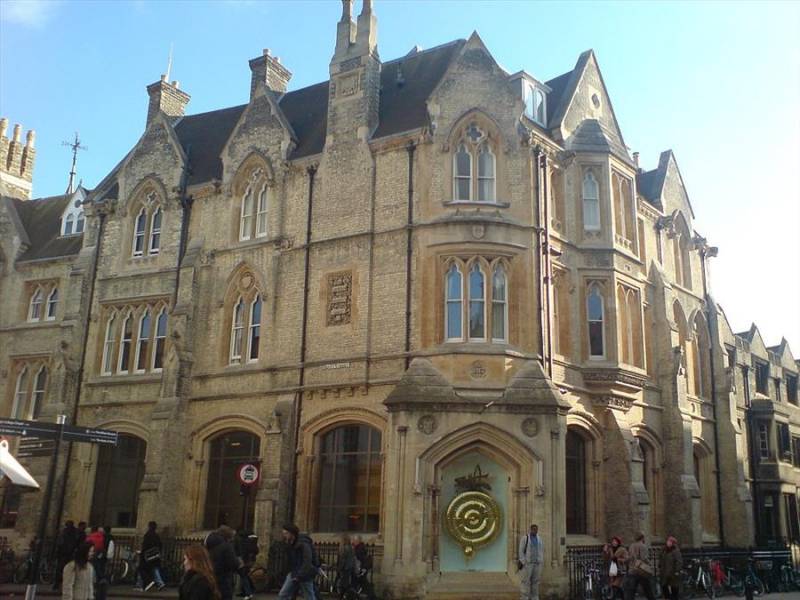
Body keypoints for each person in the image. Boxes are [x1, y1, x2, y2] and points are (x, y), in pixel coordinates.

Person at [277, 523, 317, 600]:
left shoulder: (303, 543)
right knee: (283, 594)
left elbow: (307, 561)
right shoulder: (289, 543)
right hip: (294, 572)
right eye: (284, 533)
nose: (284, 535)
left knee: (309, 596)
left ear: (292, 533)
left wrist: (300, 575)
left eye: (286, 533)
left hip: (305, 574)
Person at [205, 525, 240, 600]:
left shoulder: (209, 544)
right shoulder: (226, 546)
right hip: (224, 580)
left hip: (210, 578)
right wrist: (238, 562)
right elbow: (234, 564)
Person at [624, 532, 655, 600]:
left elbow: (629, 557)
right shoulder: (643, 546)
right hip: (641, 570)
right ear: (642, 538)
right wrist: (650, 565)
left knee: (631, 592)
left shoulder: (631, 546)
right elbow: (644, 558)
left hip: (632, 570)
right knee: (648, 590)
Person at [518, 523, 544, 600]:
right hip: (528, 564)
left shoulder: (539, 539)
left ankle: (535, 597)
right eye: (534, 529)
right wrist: (523, 561)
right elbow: (521, 550)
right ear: (531, 530)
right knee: (525, 581)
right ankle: (524, 597)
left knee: (535, 581)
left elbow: (541, 550)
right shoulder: (525, 538)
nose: (535, 531)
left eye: (536, 530)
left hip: (537, 563)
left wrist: (541, 560)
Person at [137, 521, 165, 591]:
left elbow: (145, 546)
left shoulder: (147, 535)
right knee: (155, 569)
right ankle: (159, 582)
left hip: (148, 556)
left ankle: (141, 584)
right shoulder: (156, 536)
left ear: (149, 526)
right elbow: (160, 545)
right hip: (155, 556)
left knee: (142, 569)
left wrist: (142, 553)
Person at [53, 520, 80, 591]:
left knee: (60, 569)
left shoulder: (63, 533)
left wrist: (57, 552)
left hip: (64, 554)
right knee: (69, 570)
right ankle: (64, 584)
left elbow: (59, 544)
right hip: (69, 554)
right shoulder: (74, 533)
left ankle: (57, 584)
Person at [233, 529, 257, 600]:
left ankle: (248, 592)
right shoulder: (251, 541)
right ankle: (250, 590)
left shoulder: (239, 541)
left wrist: (241, 561)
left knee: (243, 576)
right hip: (248, 560)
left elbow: (239, 551)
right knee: (245, 575)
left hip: (243, 561)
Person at [351, 536, 376, 600]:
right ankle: (356, 595)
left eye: (354, 540)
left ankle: (371, 595)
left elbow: (359, 559)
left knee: (363, 582)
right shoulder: (360, 547)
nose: (352, 542)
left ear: (357, 541)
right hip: (362, 569)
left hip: (361, 569)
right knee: (361, 582)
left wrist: (360, 569)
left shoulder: (359, 548)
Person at [660, 536, 682, 600]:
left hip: (673, 573)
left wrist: (677, 571)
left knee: (674, 588)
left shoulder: (676, 551)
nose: (668, 542)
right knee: (664, 587)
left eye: (670, 541)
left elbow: (679, 562)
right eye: (668, 541)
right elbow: (661, 559)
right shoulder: (664, 550)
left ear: (673, 543)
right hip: (665, 573)